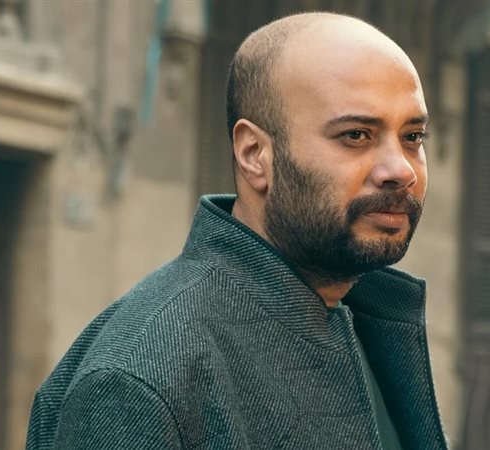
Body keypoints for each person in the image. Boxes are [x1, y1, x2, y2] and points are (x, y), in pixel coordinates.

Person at [26, 11, 446, 450]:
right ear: (254, 154)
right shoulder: (138, 379)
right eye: (356, 135)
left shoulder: (370, 323)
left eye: (413, 137)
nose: (401, 170)